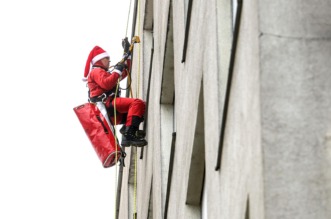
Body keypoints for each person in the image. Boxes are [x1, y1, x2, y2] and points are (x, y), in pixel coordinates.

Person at [83, 38, 147, 147]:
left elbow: (124, 72)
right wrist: (118, 70)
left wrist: (127, 53)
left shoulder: (103, 73)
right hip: (107, 105)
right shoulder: (96, 71)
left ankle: (128, 130)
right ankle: (128, 134)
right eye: (107, 59)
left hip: (111, 109)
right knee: (137, 104)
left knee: (139, 109)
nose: (109, 61)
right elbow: (107, 83)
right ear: (100, 60)